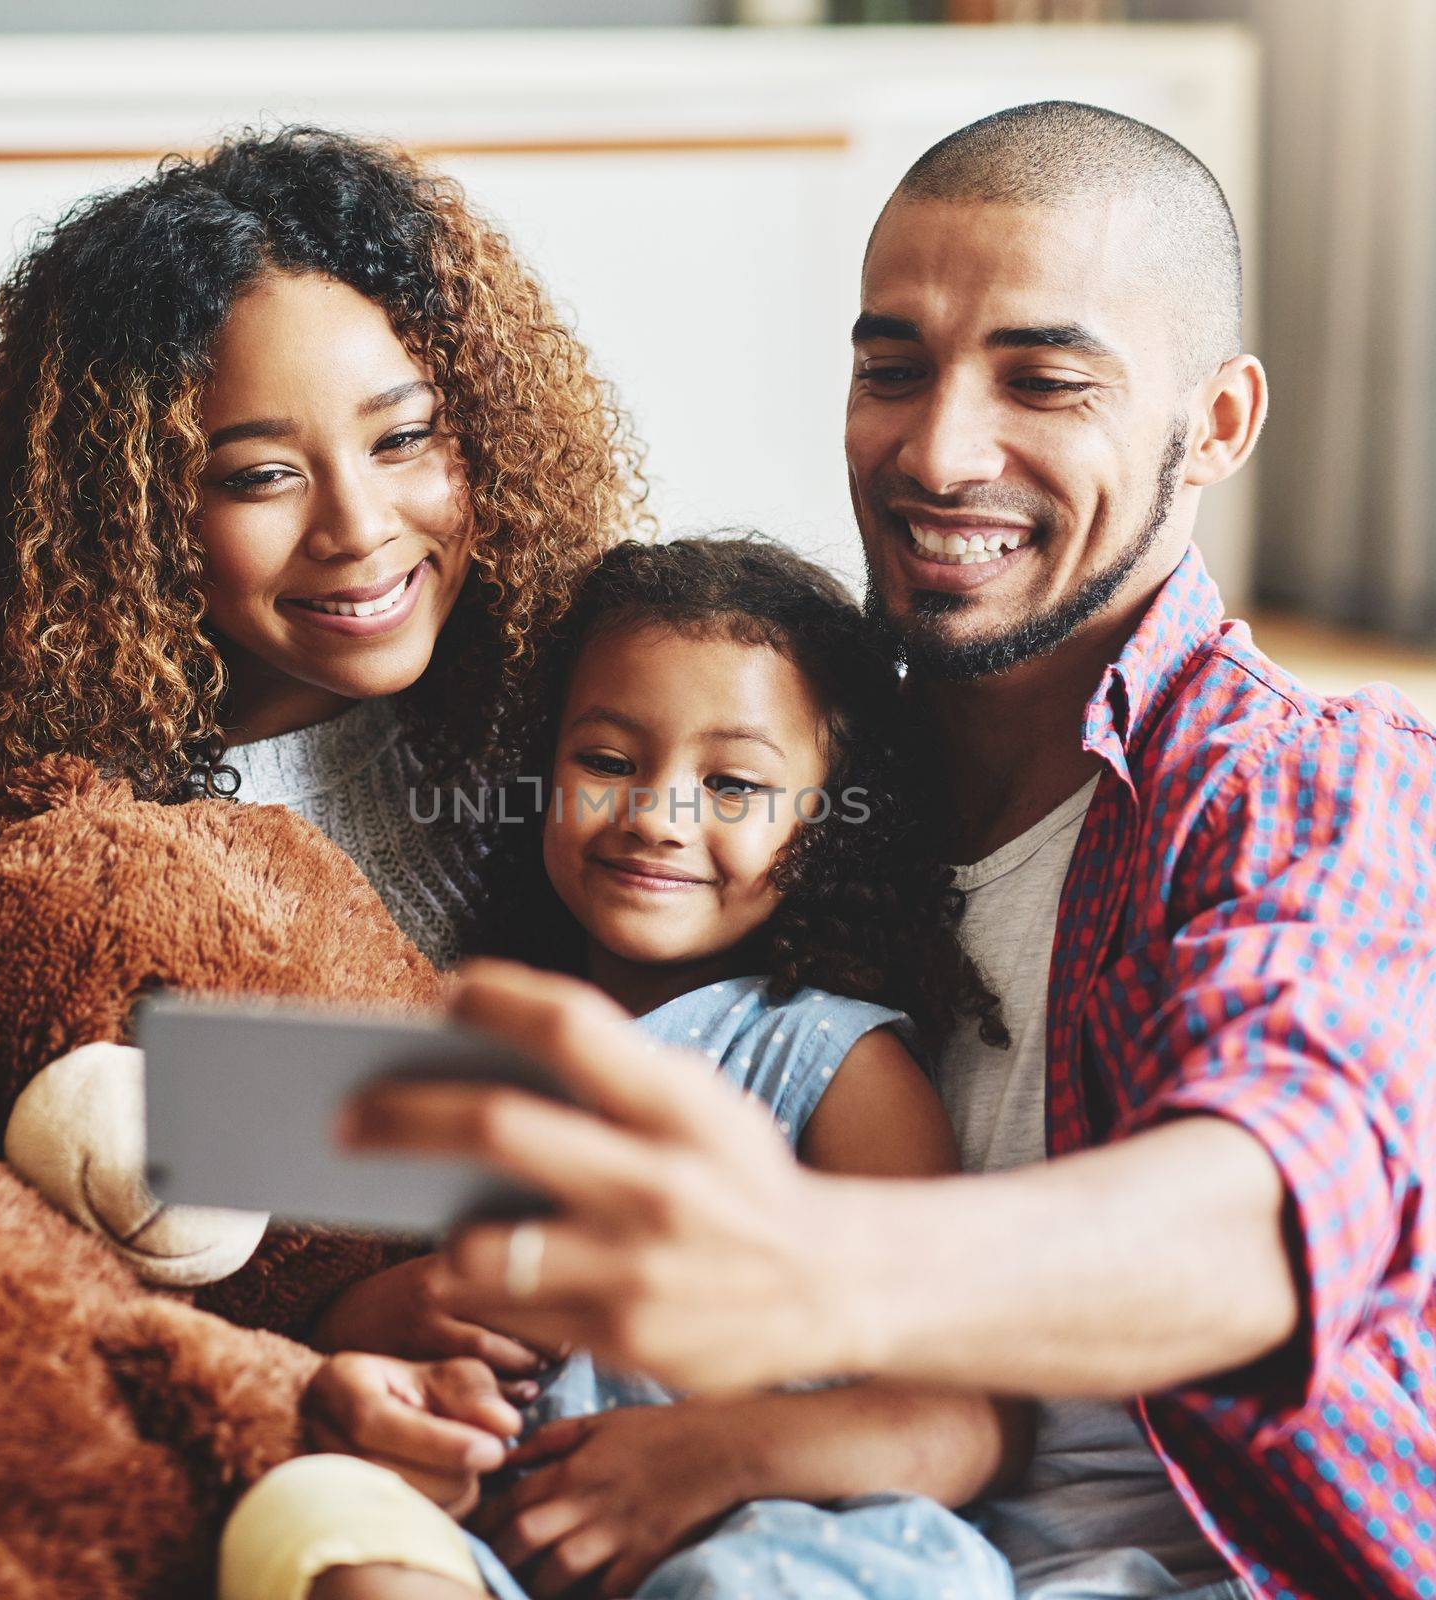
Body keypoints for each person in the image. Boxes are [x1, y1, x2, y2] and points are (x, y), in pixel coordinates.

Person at [335, 103, 1436, 1598]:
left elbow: (1276, 1208)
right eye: (892, 368)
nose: (938, 449)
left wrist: (804, 1268)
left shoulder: (1312, 782)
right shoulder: (794, 782)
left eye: (1044, 378)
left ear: (1219, 424)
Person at [315, 535, 1021, 1600]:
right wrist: (374, 1320)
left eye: (733, 782)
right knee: (338, 1542)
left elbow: (965, 1417)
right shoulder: (474, 1032)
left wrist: (707, 1455)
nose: (657, 816)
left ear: (824, 824)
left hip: (776, 1537)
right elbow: (346, 1328)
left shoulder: (826, 1057)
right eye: (606, 762)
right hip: (507, 1545)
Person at [0, 124, 644, 1055]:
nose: (359, 528)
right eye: (259, 477)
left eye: (403, 439)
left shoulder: (564, 743)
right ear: (120, 509)